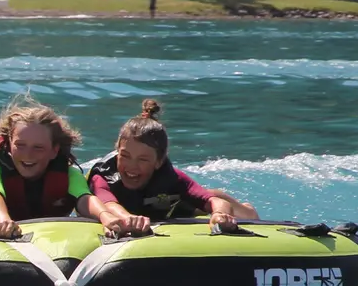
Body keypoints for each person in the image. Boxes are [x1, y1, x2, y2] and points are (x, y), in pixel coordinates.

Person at [90, 99, 260, 236]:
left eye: (142, 159)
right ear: (117, 150)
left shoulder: (170, 177)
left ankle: (247, 210)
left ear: (159, 161)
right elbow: (108, 203)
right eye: (125, 156)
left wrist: (220, 215)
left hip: (169, 207)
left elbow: (214, 202)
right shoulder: (103, 176)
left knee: (209, 196)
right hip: (135, 210)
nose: (131, 167)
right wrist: (127, 218)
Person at [0, 98, 100, 239]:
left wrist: (105, 216)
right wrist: (3, 221)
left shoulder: (69, 175)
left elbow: (85, 199)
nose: (28, 155)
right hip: (6, 222)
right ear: (9, 144)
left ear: (54, 150)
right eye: (20, 145)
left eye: (38, 147)